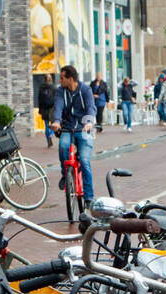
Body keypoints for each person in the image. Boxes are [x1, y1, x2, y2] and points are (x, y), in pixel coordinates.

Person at [52, 64, 95, 211]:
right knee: (63, 146)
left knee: (84, 161)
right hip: (68, 128)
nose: (60, 80)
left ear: (70, 78)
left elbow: (91, 107)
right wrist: (56, 121)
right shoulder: (60, 91)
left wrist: (89, 122)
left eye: (62, 78)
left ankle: (89, 197)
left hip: (83, 129)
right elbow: (58, 106)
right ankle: (66, 175)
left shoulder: (85, 90)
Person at [37, 73, 57, 148]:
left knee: (46, 125)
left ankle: (48, 140)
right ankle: (51, 134)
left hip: (44, 108)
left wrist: (40, 109)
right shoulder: (54, 87)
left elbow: (39, 99)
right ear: (50, 79)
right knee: (52, 124)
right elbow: (56, 99)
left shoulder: (41, 87)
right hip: (51, 108)